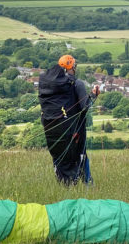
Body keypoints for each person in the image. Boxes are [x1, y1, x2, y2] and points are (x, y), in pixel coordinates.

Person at [38, 54, 99, 185]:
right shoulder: (77, 84)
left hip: (52, 128)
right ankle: (87, 183)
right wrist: (93, 95)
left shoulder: (50, 85)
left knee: (59, 154)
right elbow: (85, 106)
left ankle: (64, 183)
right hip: (74, 128)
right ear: (72, 67)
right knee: (81, 154)